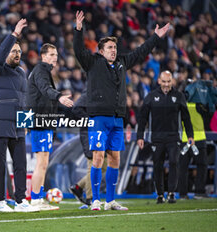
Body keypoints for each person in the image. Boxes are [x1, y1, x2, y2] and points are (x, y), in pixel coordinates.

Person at [73, 11, 170, 211]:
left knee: (116, 157)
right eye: (109, 47)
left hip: (117, 119)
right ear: (100, 51)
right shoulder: (92, 63)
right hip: (98, 118)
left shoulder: (122, 63)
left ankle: (110, 200)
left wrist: (155, 37)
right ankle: (96, 200)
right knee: (98, 156)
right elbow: (78, 49)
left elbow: (140, 52)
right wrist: (78, 29)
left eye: (115, 47)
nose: (113, 50)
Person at [0, 19, 38, 213]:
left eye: (19, 51)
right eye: (13, 51)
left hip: (18, 126)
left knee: (21, 166)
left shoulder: (22, 73)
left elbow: (24, 100)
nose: (17, 54)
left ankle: (21, 200)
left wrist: (27, 123)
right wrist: (13, 35)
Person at [26, 43, 73, 211]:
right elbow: (45, 90)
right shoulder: (40, 71)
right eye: (51, 54)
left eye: (56, 54)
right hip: (39, 122)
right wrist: (59, 97)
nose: (55, 57)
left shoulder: (44, 72)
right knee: (41, 163)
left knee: (43, 162)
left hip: (45, 122)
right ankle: (36, 200)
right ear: (43, 56)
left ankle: (38, 198)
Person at [137, 71, 194, 204]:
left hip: (174, 137)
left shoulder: (179, 96)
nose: (166, 84)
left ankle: (172, 193)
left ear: (172, 81)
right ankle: (160, 194)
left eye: (169, 82)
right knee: (157, 165)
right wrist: (140, 136)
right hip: (156, 138)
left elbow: (186, 118)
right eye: (164, 82)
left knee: (174, 162)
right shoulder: (151, 96)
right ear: (159, 81)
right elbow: (142, 118)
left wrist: (190, 135)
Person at [69, 92, 107, 206]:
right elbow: (76, 109)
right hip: (88, 132)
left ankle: (78, 186)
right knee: (93, 163)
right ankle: (90, 197)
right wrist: (90, 120)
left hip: (100, 131)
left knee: (103, 164)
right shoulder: (89, 93)